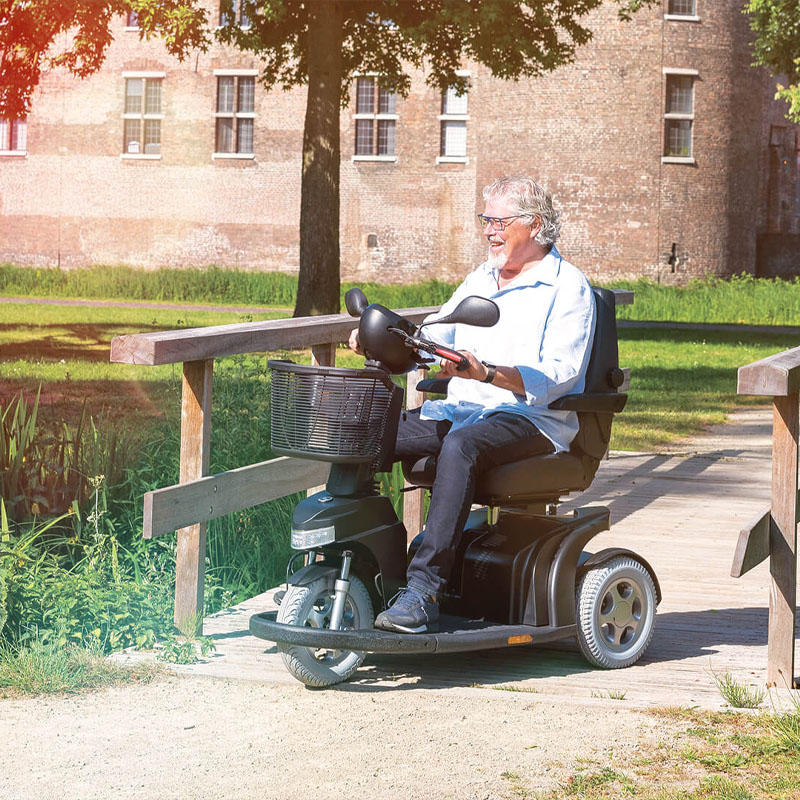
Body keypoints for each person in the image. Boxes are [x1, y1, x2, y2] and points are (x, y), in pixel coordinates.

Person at [348, 175, 596, 634]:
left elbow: (561, 374)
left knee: (461, 446)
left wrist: (488, 373)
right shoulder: (481, 278)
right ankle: (357, 564)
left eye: (499, 221)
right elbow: (434, 338)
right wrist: (382, 341)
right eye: (486, 220)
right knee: (367, 430)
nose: (488, 230)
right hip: (464, 411)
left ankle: (423, 593)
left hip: (531, 419)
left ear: (533, 225)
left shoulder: (568, 288)